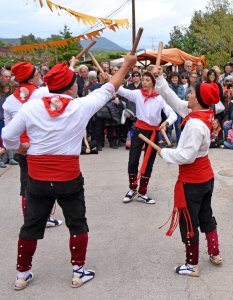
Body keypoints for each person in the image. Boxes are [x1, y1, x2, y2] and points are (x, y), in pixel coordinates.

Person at [2, 53, 137, 290]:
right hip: (68, 177)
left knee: (31, 225)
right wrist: (127, 64)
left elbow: (7, 136)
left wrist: (21, 148)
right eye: (75, 82)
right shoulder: (80, 106)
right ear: (70, 87)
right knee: (77, 223)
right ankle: (78, 272)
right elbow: (109, 87)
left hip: (38, 178)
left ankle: (21, 275)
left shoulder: (31, 106)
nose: (77, 85)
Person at [153, 65, 223, 277]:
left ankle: (192, 264)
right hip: (205, 176)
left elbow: (186, 156)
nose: (188, 94)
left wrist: (165, 153)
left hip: (193, 180)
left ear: (198, 99)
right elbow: (174, 100)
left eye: (192, 93)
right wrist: (160, 79)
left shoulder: (195, 125)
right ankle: (214, 252)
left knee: (190, 220)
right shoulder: (204, 113)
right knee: (205, 215)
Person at [2, 62, 64, 227]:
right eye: (36, 74)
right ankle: (42, 219)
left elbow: (8, 131)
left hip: (24, 150)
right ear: (30, 78)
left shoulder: (9, 101)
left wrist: (18, 147)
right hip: (43, 147)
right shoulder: (42, 93)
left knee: (27, 184)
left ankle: (30, 220)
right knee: (47, 183)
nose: (39, 76)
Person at [117, 72, 177, 204]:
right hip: (139, 131)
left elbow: (172, 114)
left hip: (153, 133)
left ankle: (142, 192)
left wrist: (166, 122)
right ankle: (132, 189)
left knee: (148, 162)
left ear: (152, 83)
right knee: (133, 161)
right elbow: (119, 89)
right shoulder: (137, 94)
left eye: (147, 80)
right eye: (142, 80)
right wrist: (113, 77)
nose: (144, 82)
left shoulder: (159, 98)